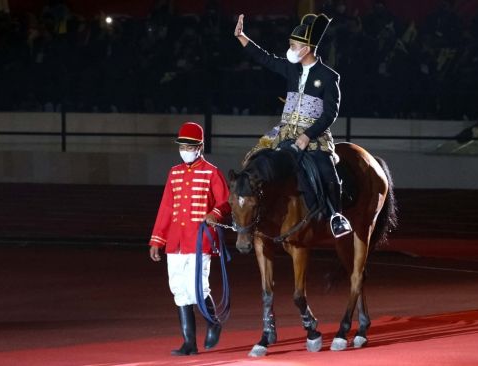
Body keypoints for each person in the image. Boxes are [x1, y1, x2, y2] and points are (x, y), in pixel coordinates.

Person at [234, 13, 352, 238]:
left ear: (306, 48)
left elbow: (330, 113)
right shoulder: (291, 69)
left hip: (314, 136)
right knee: (254, 160)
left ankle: (336, 217)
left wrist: (308, 135)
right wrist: (242, 37)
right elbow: (265, 58)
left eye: (293, 45)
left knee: (327, 171)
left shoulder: (328, 77)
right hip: (285, 132)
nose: (289, 48)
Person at [149, 122, 230, 356]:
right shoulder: (173, 173)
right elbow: (166, 208)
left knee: (198, 288)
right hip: (176, 241)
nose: (185, 149)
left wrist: (214, 214)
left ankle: (214, 322)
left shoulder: (212, 172)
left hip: (199, 240)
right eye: (182, 145)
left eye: (190, 145)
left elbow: (225, 202)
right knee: (179, 289)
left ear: (200, 146)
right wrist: (157, 239)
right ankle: (189, 342)